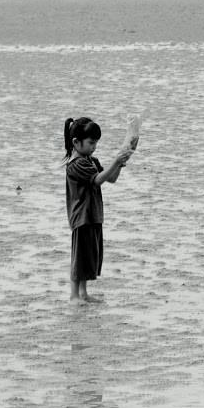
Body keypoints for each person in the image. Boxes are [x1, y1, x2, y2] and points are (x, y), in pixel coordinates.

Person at [63, 117, 133, 304]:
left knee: (89, 255)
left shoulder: (91, 161)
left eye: (96, 143)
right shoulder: (77, 164)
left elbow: (111, 179)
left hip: (92, 214)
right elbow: (98, 180)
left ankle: (83, 293)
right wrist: (115, 160)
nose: (94, 147)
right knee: (80, 256)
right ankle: (73, 296)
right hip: (81, 216)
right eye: (91, 143)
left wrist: (120, 163)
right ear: (76, 142)